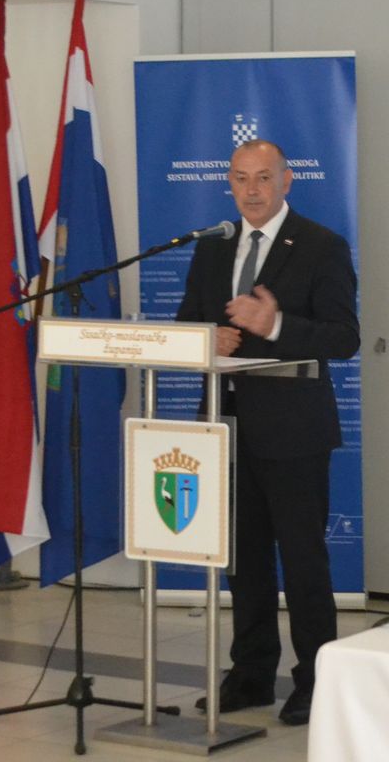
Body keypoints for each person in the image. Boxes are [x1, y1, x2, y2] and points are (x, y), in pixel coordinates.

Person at [177, 140, 360, 725]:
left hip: (294, 429)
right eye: (240, 178)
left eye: (263, 178)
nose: (251, 190)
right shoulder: (214, 245)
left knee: (303, 562)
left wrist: (274, 323)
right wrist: (207, 336)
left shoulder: (322, 245)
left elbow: (344, 337)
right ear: (228, 184)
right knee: (244, 561)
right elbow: (187, 320)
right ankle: (252, 675)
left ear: (287, 181)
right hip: (226, 425)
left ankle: (315, 681)